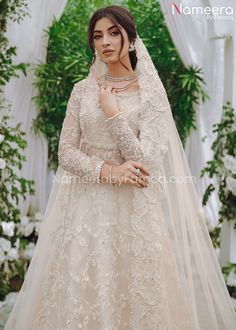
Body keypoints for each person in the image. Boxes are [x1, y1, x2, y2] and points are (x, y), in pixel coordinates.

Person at [4, 5, 236, 330]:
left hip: (133, 213)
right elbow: (65, 152)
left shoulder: (151, 97)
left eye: (114, 32)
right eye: (98, 36)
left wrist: (113, 115)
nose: (105, 41)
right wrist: (107, 171)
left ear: (130, 39)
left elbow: (146, 164)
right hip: (84, 209)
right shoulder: (82, 91)